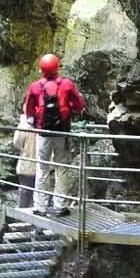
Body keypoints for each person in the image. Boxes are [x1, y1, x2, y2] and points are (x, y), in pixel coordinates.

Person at [23, 53, 86, 217]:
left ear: (41, 69)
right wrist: (70, 107)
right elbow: (80, 105)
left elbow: (29, 110)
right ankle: (60, 206)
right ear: (57, 67)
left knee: (42, 168)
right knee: (62, 168)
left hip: (43, 133)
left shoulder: (35, 87)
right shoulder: (66, 84)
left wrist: (35, 121)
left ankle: (40, 207)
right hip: (61, 132)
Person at [13, 109, 37, 208]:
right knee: (38, 190)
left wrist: (24, 149)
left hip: (26, 162)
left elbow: (17, 143)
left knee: (25, 190)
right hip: (40, 164)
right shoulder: (43, 124)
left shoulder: (24, 126)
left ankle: (23, 212)